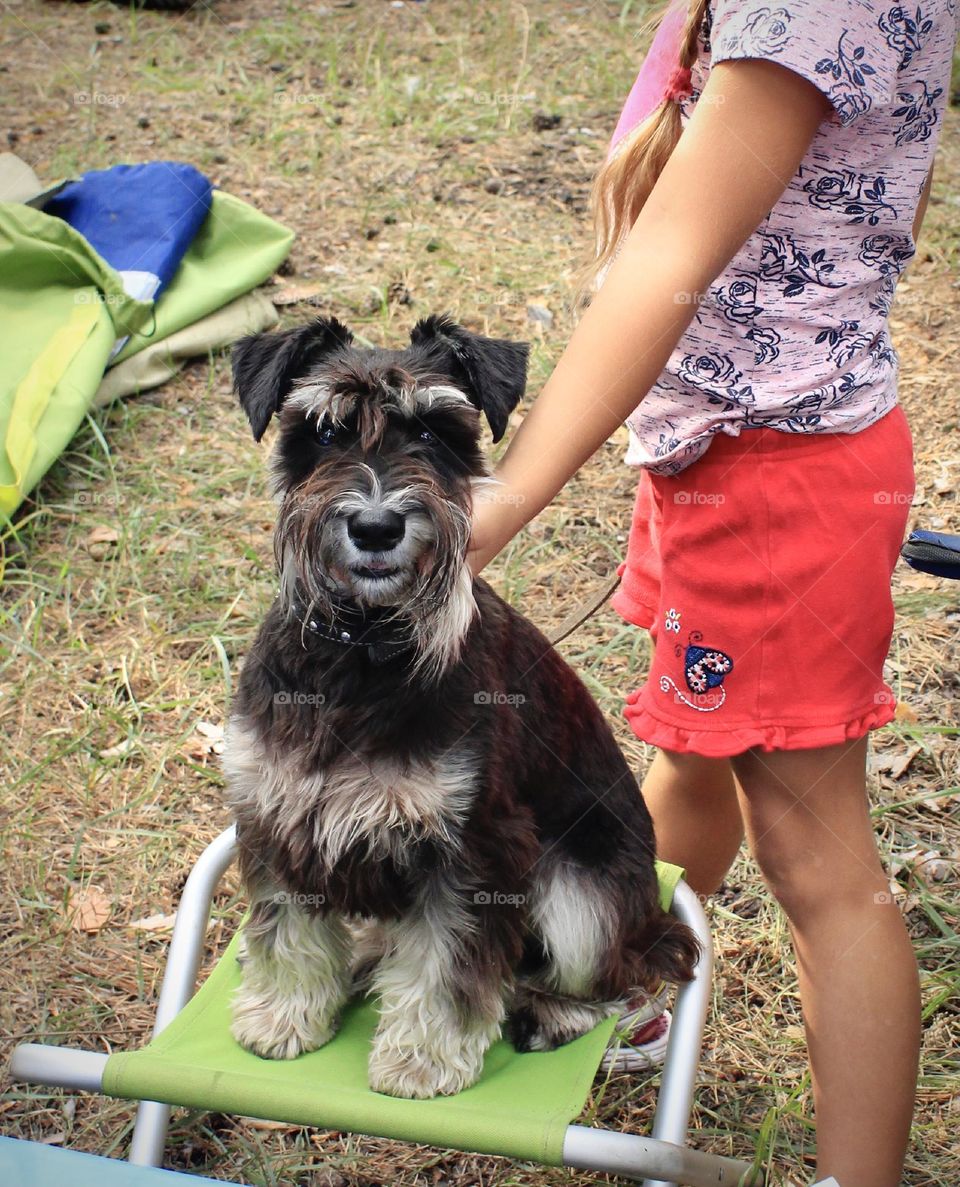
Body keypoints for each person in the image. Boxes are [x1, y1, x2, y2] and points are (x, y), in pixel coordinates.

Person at [467, 3, 959, 1184]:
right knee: (701, 752)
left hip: (778, 485)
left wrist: (499, 500)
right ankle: (626, 984)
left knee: (823, 868)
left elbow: (671, 260)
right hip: (726, 453)